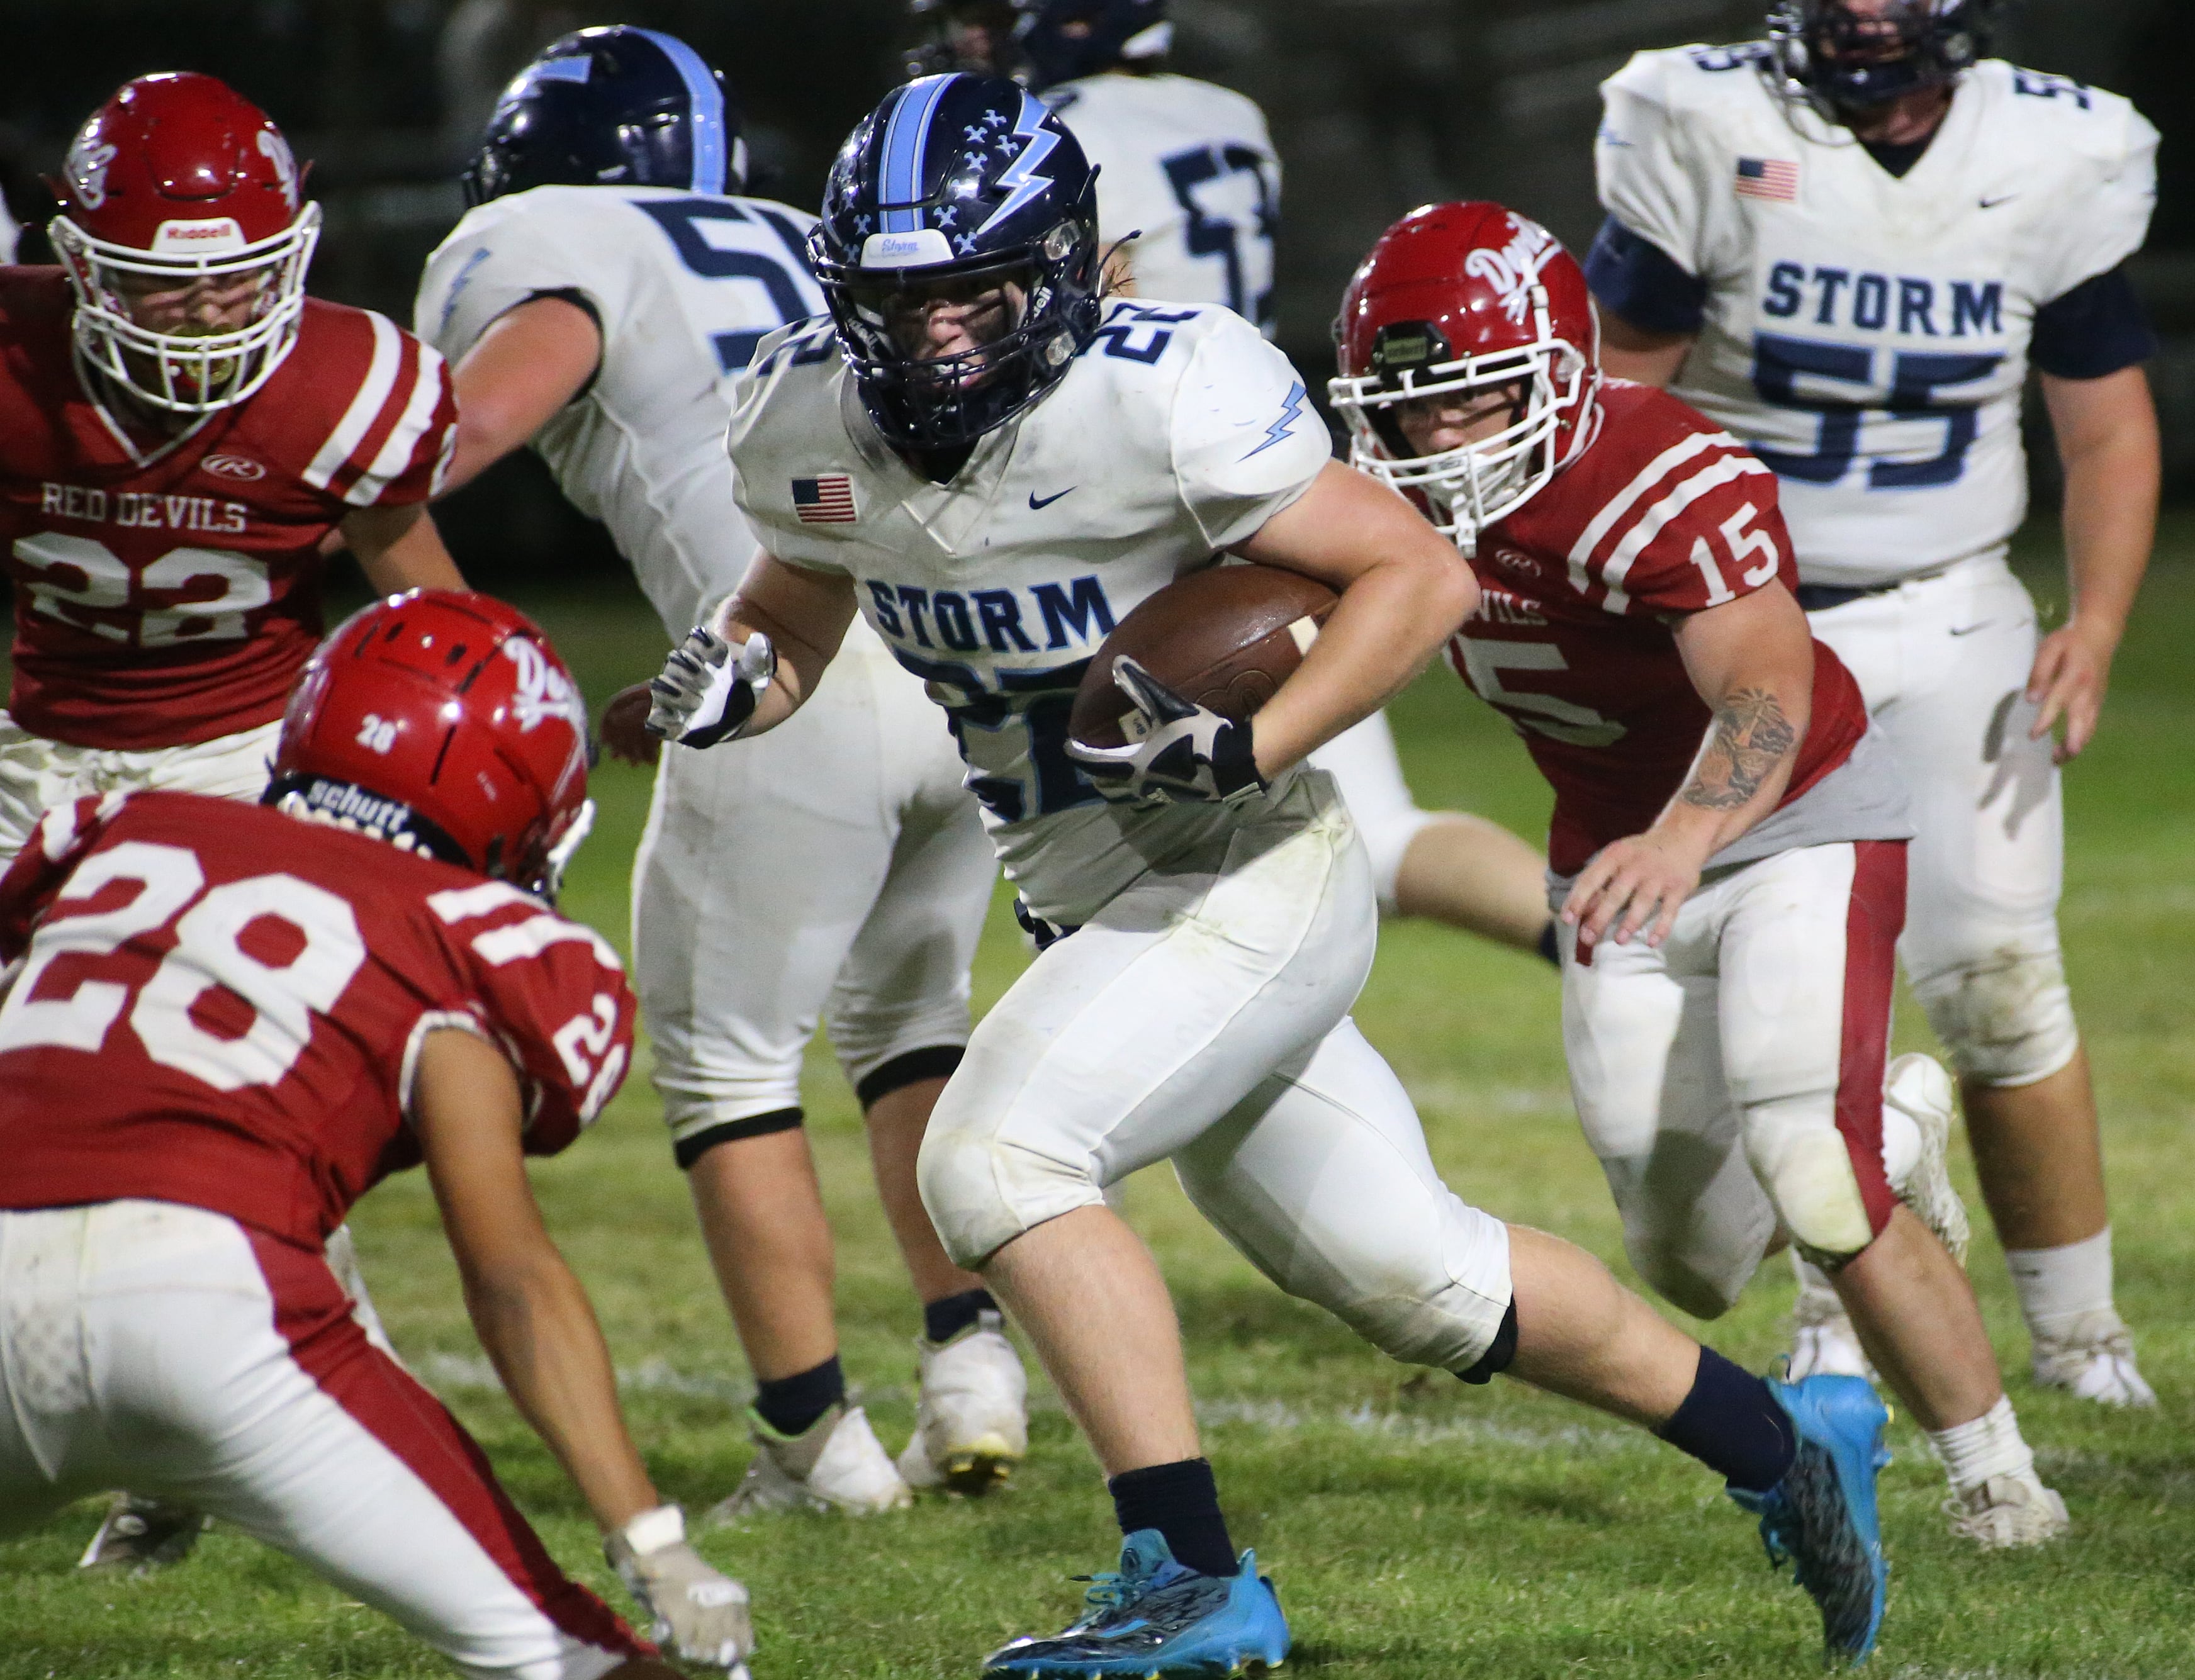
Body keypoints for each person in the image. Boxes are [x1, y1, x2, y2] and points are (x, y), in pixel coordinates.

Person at [648, 72, 1900, 1672]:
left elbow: (1417, 574)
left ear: (1057, 267)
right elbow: (801, 596)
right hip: (1093, 895)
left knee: (997, 1162)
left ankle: (1187, 1575)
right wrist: (736, 670)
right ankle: (1785, 1444)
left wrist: (1255, 741)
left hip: (1242, 869)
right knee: (1425, 1281)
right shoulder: (805, 412)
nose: (943, 334)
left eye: (975, 289)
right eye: (901, 300)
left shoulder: (1165, 388)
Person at [1332, 198, 2067, 1548]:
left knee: (1812, 1170)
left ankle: (1994, 1477)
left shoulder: (1658, 471)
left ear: (1554, 373)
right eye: (1408, 408)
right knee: (1692, 1263)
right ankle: (1901, 1125)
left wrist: (1682, 836)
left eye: (1473, 401)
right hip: (1613, 862)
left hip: (1791, 819)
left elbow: (1768, 697)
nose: (1439, 438)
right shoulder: (1376, 505)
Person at [415, 26, 1021, 1515]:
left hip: (786, 671)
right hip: (965, 661)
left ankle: (820, 1450)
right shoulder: (801, 231)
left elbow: (469, 424)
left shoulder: (551, 241)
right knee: (910, 1021)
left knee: (729, 1068)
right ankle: (970, 1364)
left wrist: (334, 469)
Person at [0, 590, 753, 1679]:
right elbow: (509, 1271)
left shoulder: (115, 831)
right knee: (578, 1656)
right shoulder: (469, 935)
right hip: (213, 1302)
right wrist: (651, 1537)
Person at [1585, 0, 2159, 1404]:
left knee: (2001, 985)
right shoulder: (1706, 121)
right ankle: (1835, 1314)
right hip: (1740, 628)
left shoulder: (2053, 148)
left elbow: (2103, 422)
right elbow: (1611, 397)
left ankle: (2084, 1342)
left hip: (1946, 604)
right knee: (1786, 1002)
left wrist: (2093, 620)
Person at [0, 69, 469, 1568]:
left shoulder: (351, 387)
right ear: (75, 262)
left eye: (236, 290)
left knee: (239, 1105)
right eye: (159, 289)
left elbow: (437, 610)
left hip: (241, 759)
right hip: (39, 754)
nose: (203, 322)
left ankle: (293, 1416)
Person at [909, 0, 1558, 959]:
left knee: (1144, 827)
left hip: (1135, 475)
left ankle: (1598, 937)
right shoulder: (1224, 112)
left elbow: (1099, 280)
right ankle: (1585, 934)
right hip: (1247, 453)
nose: (973, 39)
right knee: (1346, 832)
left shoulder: (1056, 135)